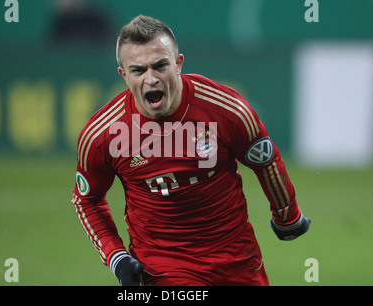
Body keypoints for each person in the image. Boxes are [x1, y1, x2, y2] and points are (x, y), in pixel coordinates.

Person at [71, 15, 311, 286]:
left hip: (237, 262)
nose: (151, 79)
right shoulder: (103, 133)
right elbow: (86, 199)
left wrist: (287, 217)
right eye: (138, 70)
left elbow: (265, 160)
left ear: (178, 64)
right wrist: (116, 257)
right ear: (123, 75)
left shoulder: (226, 109)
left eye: (160, 66)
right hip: (162, 268)